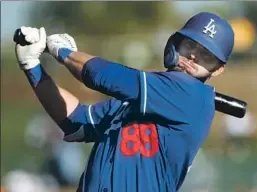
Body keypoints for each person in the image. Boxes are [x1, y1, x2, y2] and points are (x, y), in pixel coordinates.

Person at [14, 12, 234, 192]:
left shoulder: (192, 96)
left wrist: (62, 51)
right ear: (177, 43)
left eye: (206, 55)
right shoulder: (138, 98)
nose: (193, 57)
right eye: (190, 46)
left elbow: (102, 76)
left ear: (218, 69)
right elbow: (76, 121)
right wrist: (32, 66)